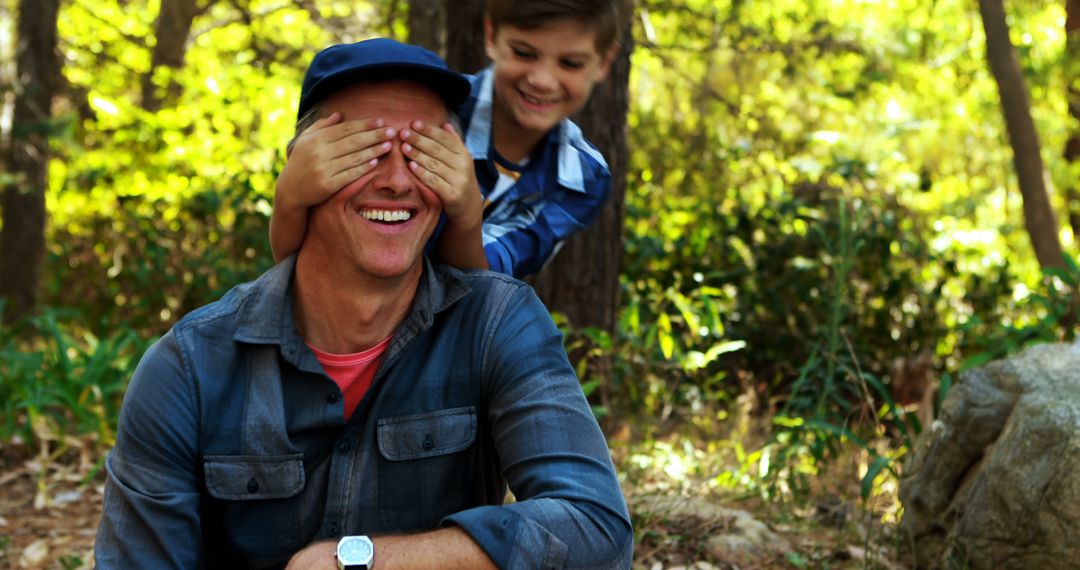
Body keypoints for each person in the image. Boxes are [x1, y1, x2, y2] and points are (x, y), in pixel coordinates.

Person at [95, 39, 633, 569]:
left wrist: (360, 560)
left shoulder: (497, 323)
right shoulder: (189, 368)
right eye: (365, 149)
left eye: (422, 153)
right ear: (301, 168)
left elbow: (596, 530)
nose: (398, 180)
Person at [270, 0, 624, 278]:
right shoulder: (427, 102)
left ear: (604, 62)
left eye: (571, 63)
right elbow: (312, 244)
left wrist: (466, 214)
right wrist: (290, 195)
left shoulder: (582, 178)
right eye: (524, 53)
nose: (543, 80)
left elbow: (486, 275)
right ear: (491, 36)